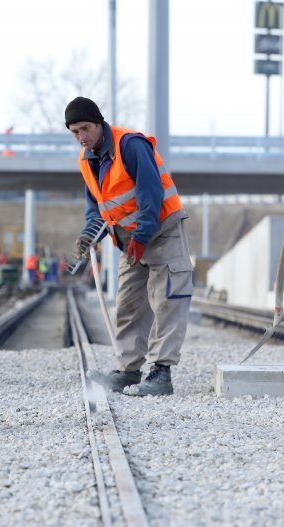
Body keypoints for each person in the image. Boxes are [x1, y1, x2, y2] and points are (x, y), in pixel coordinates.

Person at [65, 96, 192, 396]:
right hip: (129, 239)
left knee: (168, 301)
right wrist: (89, 235)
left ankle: (161, 373)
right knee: (129, 304)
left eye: (85, 128)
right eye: (74, 132)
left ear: (99, 123)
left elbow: (151, 193)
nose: (81, 137)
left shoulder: (131, 146)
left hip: (161, 231)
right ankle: (129, 371)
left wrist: (142, 236)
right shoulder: (87, 159)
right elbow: (96, 205)